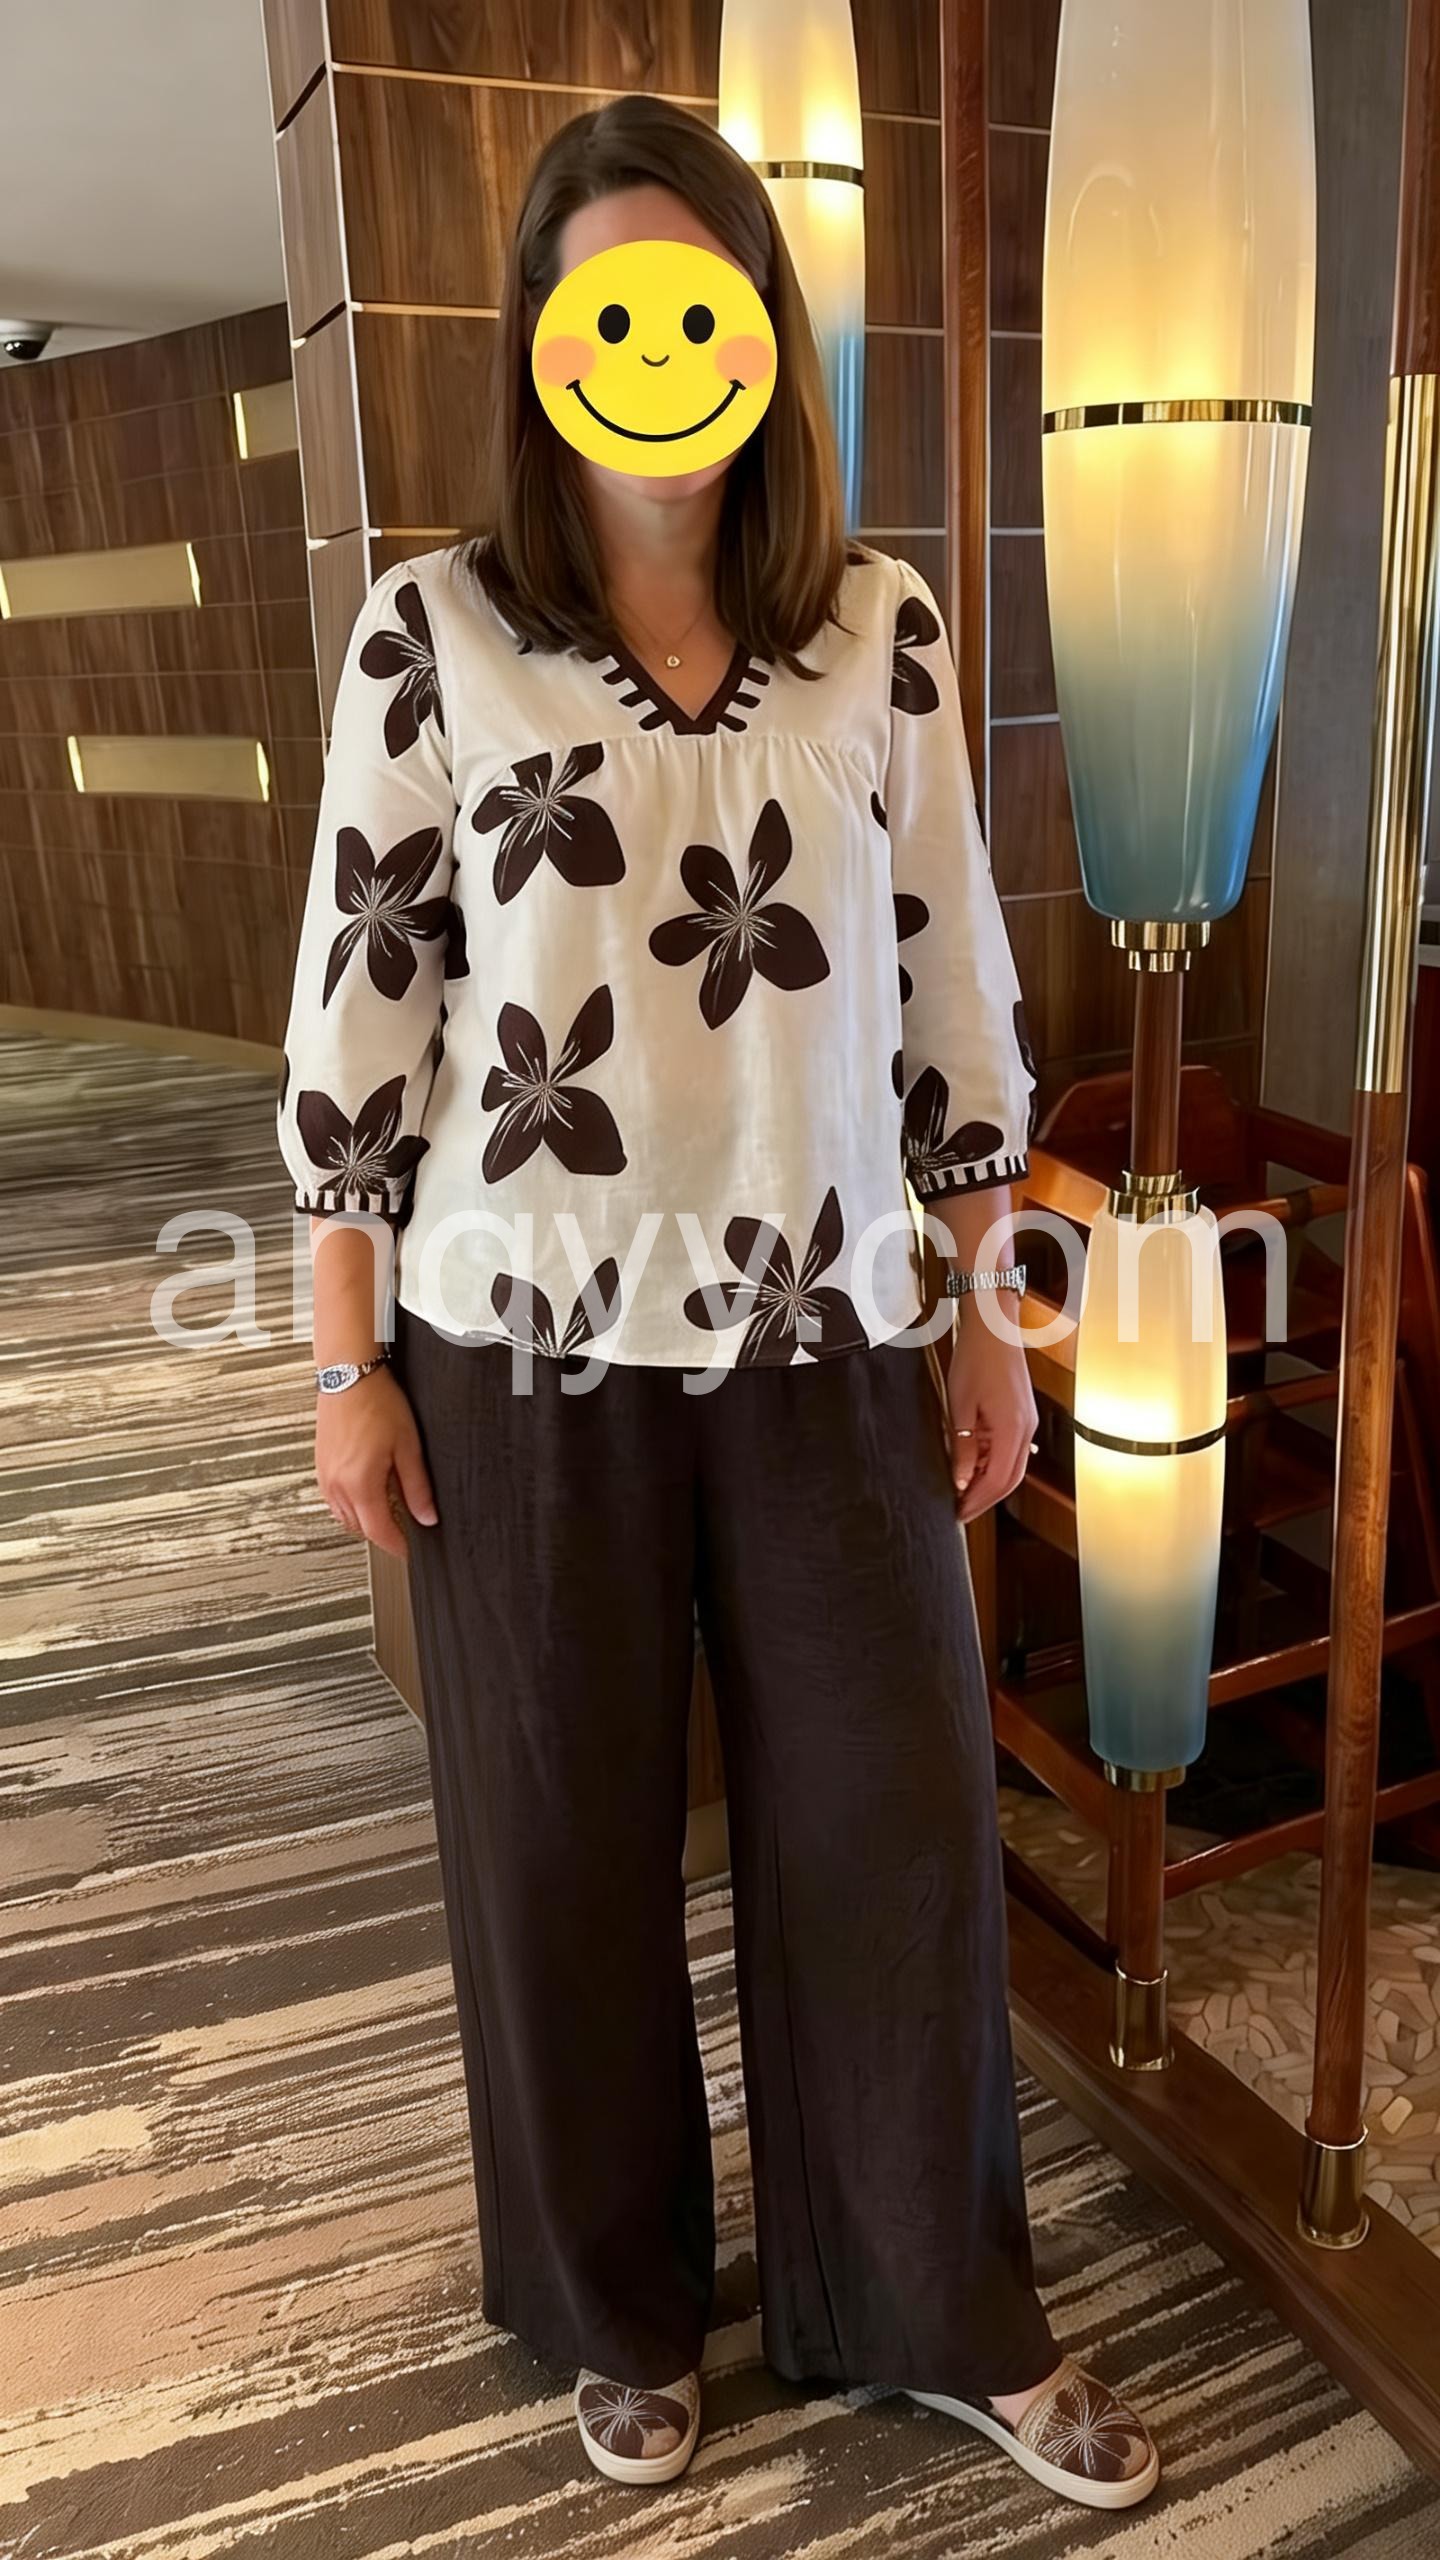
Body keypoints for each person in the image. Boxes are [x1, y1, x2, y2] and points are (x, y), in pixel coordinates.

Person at [277, 91, 1159, 2514]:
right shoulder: (433, 635)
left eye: (705, 297)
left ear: (765, 330)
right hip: (516, 1345)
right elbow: (365, 1005)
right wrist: (345, 1352)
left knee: (895, 1823)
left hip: (833, 1330)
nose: (663, 349)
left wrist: (987, 1308)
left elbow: (950, 982)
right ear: (543, 343)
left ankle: (932, 2299)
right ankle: (622, 2301)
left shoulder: (881, 628)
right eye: (612, 305)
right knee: (558, 1846)